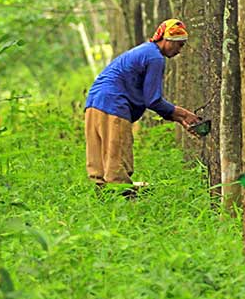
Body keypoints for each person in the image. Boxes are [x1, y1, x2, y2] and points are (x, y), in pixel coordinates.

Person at [84, 18, 200, 186]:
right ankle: (124, 202)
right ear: (167, 40)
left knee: (98, 171)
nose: (179, 51)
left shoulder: (144, 50)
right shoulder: (155, 57)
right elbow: (153, 100)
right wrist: (183, 114)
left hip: (93, 105)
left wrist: (179, 118)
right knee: (117, 167)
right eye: (179, 45)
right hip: (113, 106)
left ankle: (103, 203)